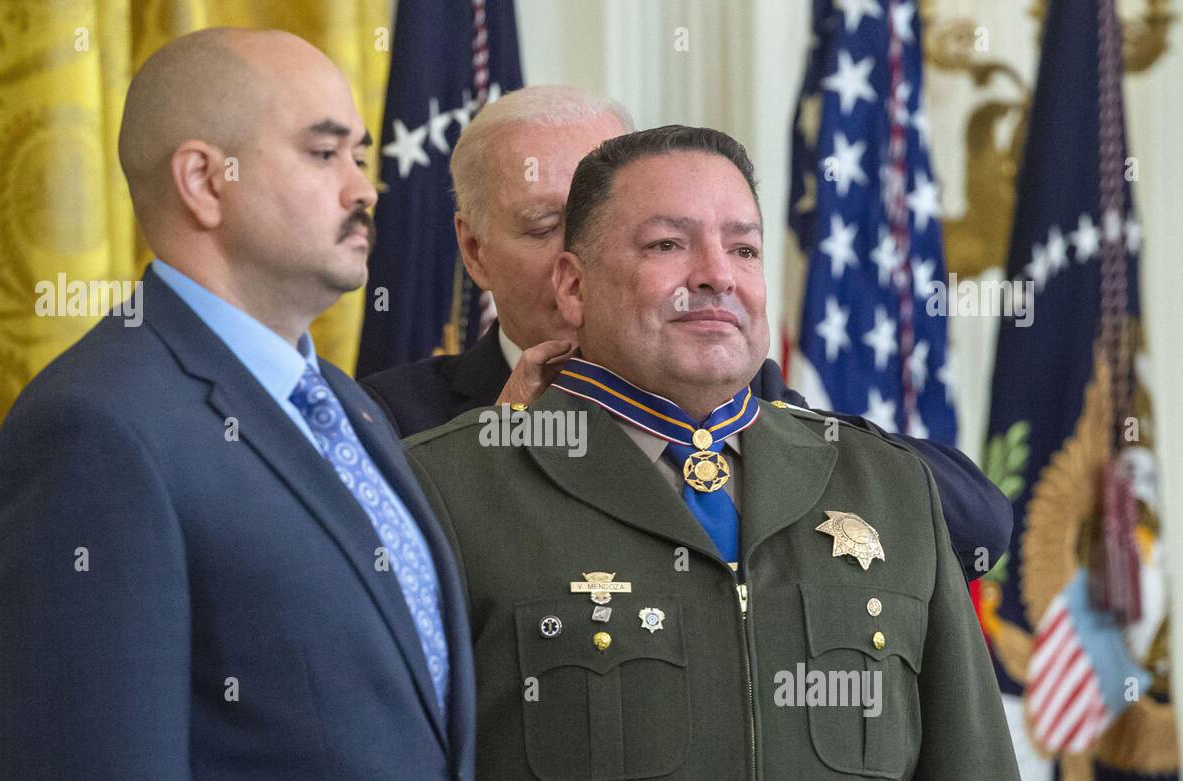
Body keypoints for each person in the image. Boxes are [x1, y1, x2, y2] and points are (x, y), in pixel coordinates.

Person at [404, 125, 1038, 781]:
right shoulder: (445, 491)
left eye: (743, 249)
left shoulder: (887, 486)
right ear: (573, 286)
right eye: (667, 245)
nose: (717, 275)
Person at [0, 28, 480, 781]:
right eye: (326, 155)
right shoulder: (92, 432)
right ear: (205, 181)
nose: (366, 188)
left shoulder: (351, 408)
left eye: (361, 154)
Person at [360, 85, 1011, 582]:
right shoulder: (391, 419)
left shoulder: (752, 400)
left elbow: (975, 527)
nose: (581, 254)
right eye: (544, 225)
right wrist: (488, 462)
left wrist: (761, 429)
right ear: (474, 252)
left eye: (620, 223)